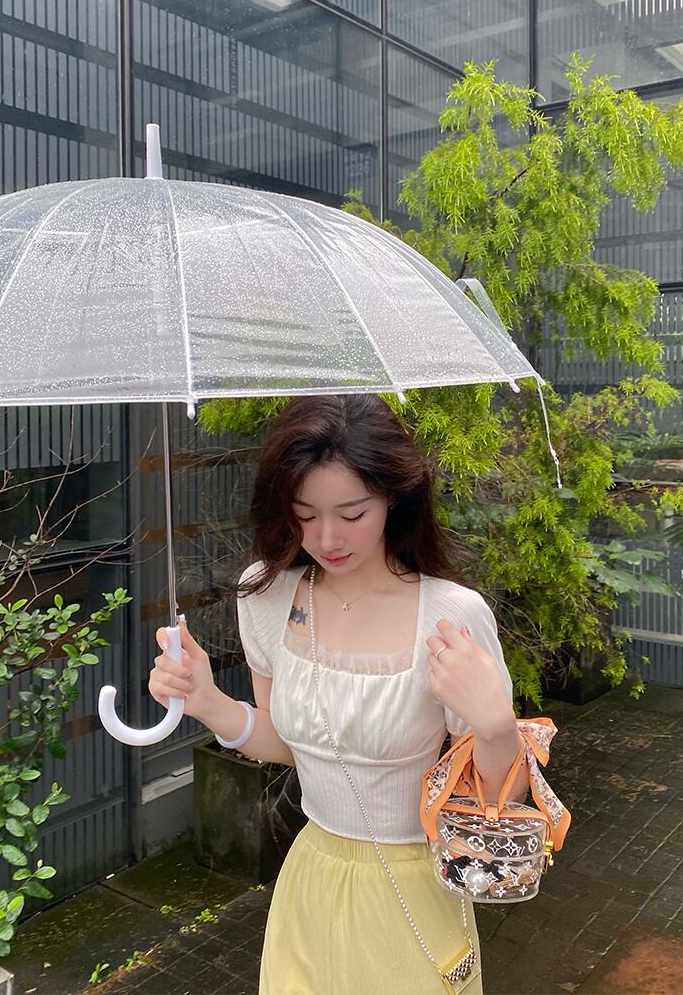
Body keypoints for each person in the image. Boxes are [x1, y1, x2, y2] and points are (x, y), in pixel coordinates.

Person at [148, 394, 524, 994]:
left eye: (352, 514)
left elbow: (498, 801)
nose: (327, 538)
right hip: (312, 877)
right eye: (305, 514)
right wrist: (207, 701)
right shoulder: (266, 594)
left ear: (393, 497)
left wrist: (498, 726)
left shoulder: (450, 616)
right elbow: (289, 743)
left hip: (414, 889)